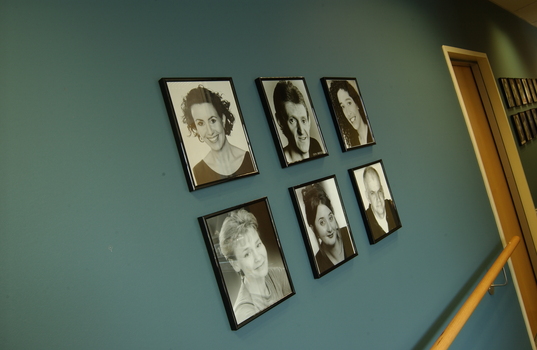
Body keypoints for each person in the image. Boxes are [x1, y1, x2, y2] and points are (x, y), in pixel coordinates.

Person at [219, 209, 292, 324]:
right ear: (235, 264)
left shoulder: (278, 274)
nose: (258, 257)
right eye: (247, 254)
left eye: (258, 245)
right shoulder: (244, 313)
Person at [181, 86, 255, 186]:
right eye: (200, 123)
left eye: (212, 121)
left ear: (223, 120)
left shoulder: (250, 159)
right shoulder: (198, 171)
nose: (210, 131)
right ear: (196, 129)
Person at [302, 183, 354, 273]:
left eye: (330, 218)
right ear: (313, 229)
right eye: (322, 222)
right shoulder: (317, 265)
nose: (329, 228)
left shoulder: (351, 236)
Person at [273, 81, 323, 164]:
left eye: (303, 120)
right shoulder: (279, 161)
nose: (301, 131)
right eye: (292, 120)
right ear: (280, 122)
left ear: (309, 120)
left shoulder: (315, 145)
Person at [329, 80, 373, 147]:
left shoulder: (372, 133)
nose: (348, 112)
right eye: (343, 106)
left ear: (357, 104)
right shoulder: (353, 143)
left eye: (349, 103)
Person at [362, 166, 399, 241]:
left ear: (382, 190)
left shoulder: (393, 208)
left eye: (379, 191)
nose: (378, 198)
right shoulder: (366, 221)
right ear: (367, 196)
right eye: (372, 193)